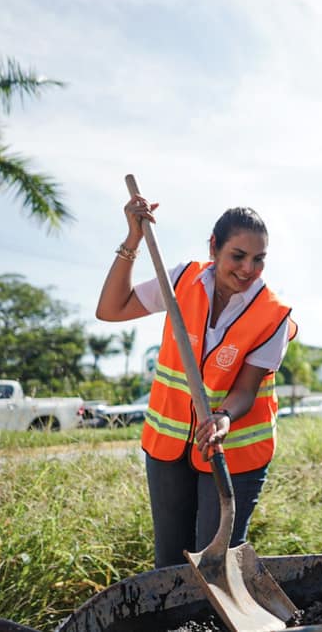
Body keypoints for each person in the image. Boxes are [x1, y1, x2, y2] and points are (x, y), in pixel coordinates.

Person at [96, 196, 296, 569]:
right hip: (168, 447)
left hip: (235, 451)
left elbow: (246, 390)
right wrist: (133, 239)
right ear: (213, 247)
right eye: (238, 256)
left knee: (214, 565)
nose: (248, 269)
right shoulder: (180, 280)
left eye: (259, 259)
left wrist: (223, 417)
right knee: (170, 564)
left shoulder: (273, 314)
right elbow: (110, 309)